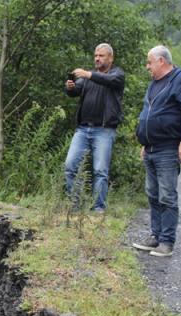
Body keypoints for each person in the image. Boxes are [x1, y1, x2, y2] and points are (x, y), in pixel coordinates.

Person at [132, 45, 181, 257]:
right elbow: (148, 113)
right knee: (152, 194)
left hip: (168, 149)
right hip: (151, 148)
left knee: (167, 196)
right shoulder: (153, 84)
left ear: (161, 61)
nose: (147, 66)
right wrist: (144, 142)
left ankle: (167, 242)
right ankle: (155, 236)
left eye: (149, 62)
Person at [63, 43, 125, 212]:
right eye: (96, 55)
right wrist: (70, 88)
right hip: (83, 130)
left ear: (110, 58)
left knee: (100, 171)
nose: (97, 58)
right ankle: (76, 207)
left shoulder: (117, 74)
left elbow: (109, 80)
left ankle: (98, 209)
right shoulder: (89, 77)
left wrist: (88, 74)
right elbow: (75, 91)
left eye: (101, 55)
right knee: (70, 166)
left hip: (104, 130)